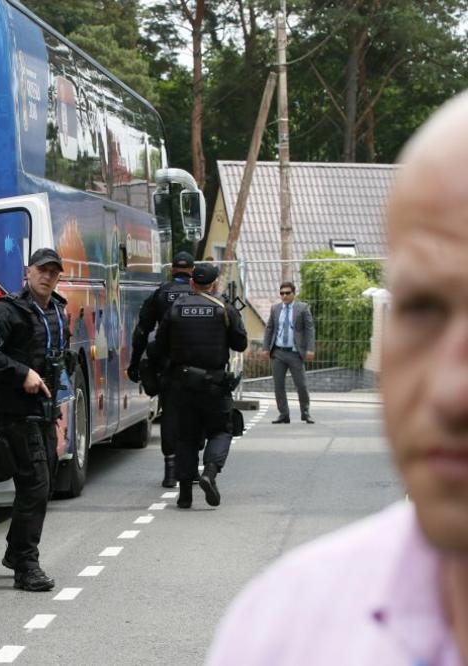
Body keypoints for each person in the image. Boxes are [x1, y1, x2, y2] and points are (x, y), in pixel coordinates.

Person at [205, 90, 468, 666]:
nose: (452, 393)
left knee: (296, 387)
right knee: (278, 388)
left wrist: (305, 344)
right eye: (422, 308)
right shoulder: (282, 626)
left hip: (295, 354)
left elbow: (304, 328)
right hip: (274, 353)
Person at [0, 248, 70, 592]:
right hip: (15, 411)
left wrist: (59, 409)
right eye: (42, 270)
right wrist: (20, 372)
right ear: (28, 271)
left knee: (45, 482)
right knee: (35, 483)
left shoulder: (58, 310)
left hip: (44, 410)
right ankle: (27, 565)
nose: (47, 277)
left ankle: (16, 551)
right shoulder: (8, 310)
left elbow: (59, 363)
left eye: (54, 272)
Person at [155, 263, 247, 510]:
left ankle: (184, 494)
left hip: (182, 385)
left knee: (185, 436)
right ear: (214, 284)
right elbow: (241, 343)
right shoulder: (223, 309)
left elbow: (159, 345)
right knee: (222, 430)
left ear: (192, 283)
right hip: (214, 384)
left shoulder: (175, 308)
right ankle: (210, 472)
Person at [126, 250, 196, 487]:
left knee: (171, 415)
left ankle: (170, 469)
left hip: (168, 365)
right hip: (200, 367)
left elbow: (141, 331)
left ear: (172, 270)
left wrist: (135, 363)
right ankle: (193, 467)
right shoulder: (203, 293)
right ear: (192, 272)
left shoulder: (161, 294)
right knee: (197, 415)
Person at [262, 281, 316, 424]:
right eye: (282, 293)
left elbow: (309, 329)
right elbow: (269, 329)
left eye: (287, 293)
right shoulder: (275, 309)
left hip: (295, 353)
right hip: (278, 352)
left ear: (294, 293)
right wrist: (265, 348)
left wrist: (310, 349)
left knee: (301, 385)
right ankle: (283, 414)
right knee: (278, 385)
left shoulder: (302, 308)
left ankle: (305, 412)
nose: (284, 296)